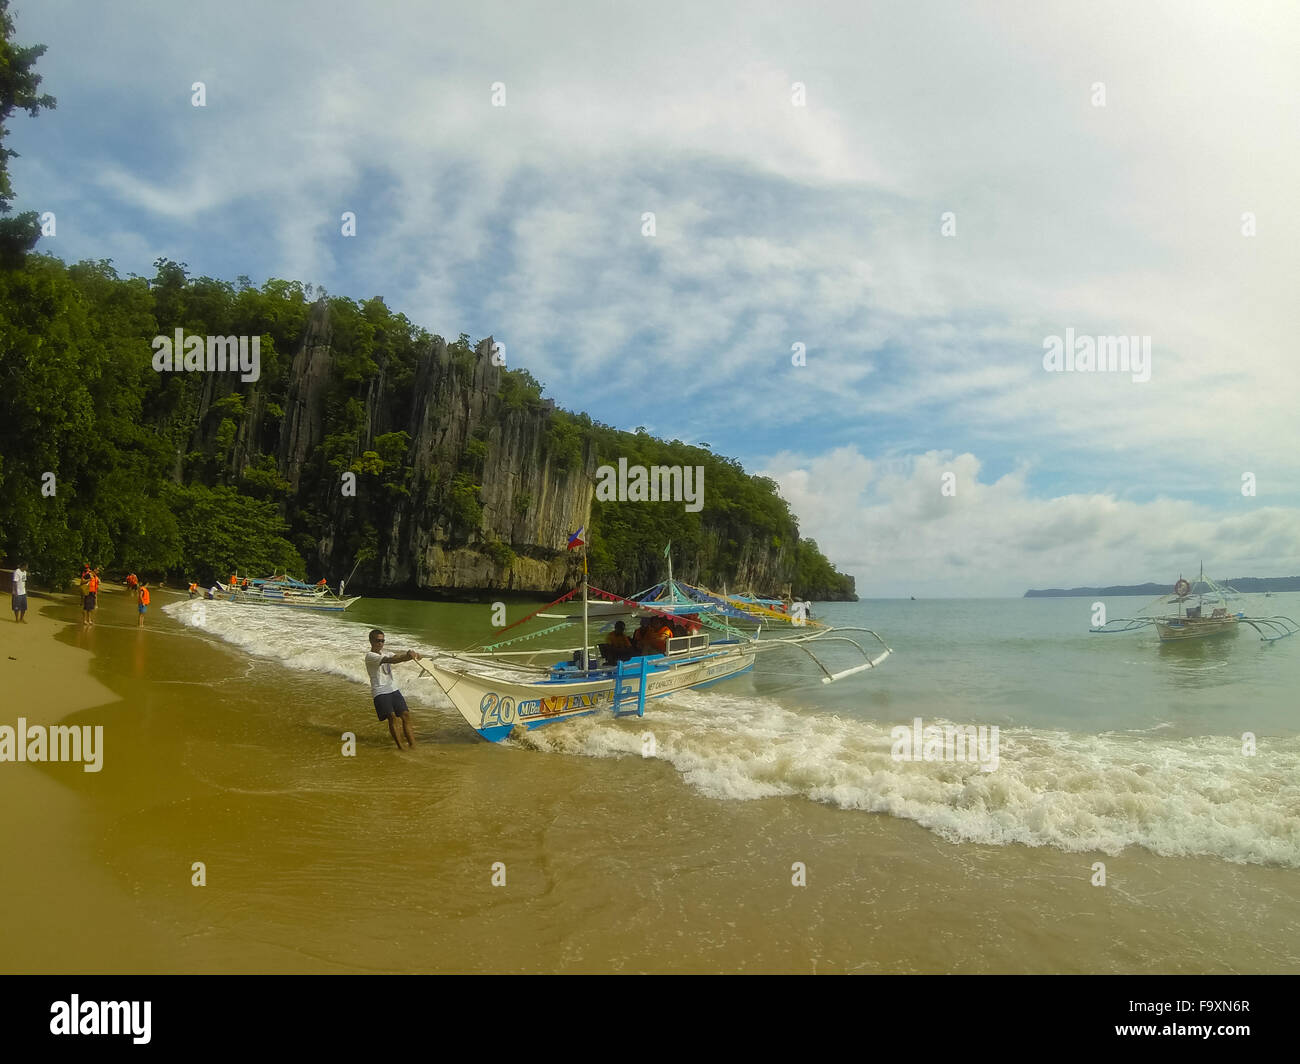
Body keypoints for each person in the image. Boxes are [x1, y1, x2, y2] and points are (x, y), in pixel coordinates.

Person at [365, 629, 421, 750]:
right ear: (371, 641)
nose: (380, 643)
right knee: (392, 717)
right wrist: (407, 656)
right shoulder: (370, 656)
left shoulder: (386, 653)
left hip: (393, 689)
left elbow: (398, 656)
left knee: (406, 715)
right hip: (380, 692)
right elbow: (392, 660)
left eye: (382, 641)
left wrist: (411, 655)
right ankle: (401, 748)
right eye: (378, 641)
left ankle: (413, 746)